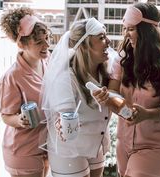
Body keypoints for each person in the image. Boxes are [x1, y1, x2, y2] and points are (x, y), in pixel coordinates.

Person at [93, 2, 160, 177]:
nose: (127, 35)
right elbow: (113, 94)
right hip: (124, 141)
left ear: (147, 32)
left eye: (131, 29)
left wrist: (147, 114)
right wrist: (108, 99)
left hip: (156, 145)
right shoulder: (123, 59)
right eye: (126, 29)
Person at [41, 17, 113, 177]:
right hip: (69, 150)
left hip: (96, 144)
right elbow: (64, 118)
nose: (108, 41)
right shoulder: (65, 78)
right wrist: (63, 122)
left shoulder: (105, 74)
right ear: (85, 45)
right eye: (101, 37)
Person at [0, 7, 51, 177]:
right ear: (22, 44)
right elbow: (6, 115)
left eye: (47, 38)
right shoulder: (13, 76)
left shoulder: (47, 62)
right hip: (22, 151)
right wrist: (20, 120)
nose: (47, 45)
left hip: (44, 147)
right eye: (39, 42)